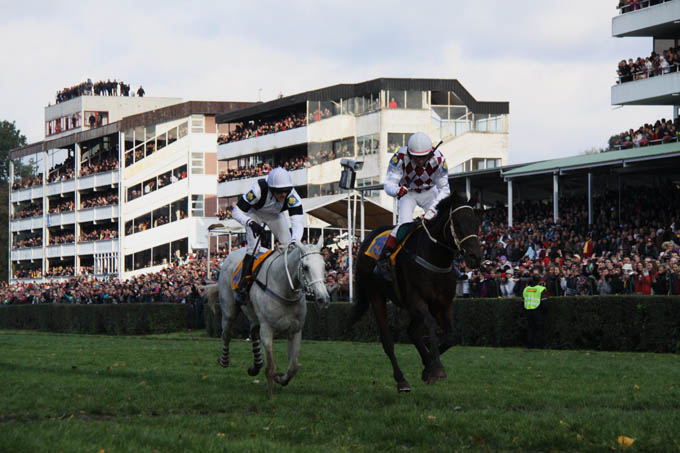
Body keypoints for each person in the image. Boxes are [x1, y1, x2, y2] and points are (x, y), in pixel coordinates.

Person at [374, 131, 449, 280]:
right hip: (408, 193)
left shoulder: (439, 159)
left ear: (430, 153)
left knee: (440, 222)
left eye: (423, 157)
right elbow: (388, 184)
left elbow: (445, 189)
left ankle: (450, 262)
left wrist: (433, 209)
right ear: (409, 152)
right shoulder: (399, 157)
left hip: (430, 192)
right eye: (416, 157)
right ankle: (384, 259)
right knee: (404, 224)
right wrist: (397, 190)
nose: (420, 161)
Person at [231, 167, 304, 301]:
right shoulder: (258, 189)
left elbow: (298, 222)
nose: (284, 195)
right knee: (253, 248)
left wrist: (295, 240)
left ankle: (290, 282)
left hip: (276, 215)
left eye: (286, 191)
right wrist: (250, 223)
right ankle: (243, 285)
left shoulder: (292, 196)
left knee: (289, 245)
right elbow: (236, 212)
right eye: (280, 192)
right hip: (254, 214)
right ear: (271, 189)